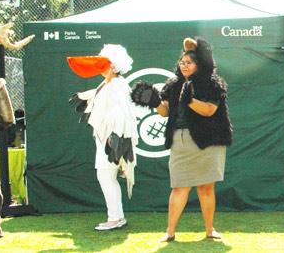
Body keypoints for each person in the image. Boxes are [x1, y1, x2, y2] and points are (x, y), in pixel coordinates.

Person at [155, 37, 232, 242]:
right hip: (181, 139)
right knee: (179, 187)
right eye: (182, 62)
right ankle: (170, 232)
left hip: (207, 140)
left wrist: (189, 101)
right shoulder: (173, 84)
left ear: (199, 64)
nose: (184, 65)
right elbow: (164, 112)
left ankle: (209, 230)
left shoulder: (213, 84)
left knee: (206, 187)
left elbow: (209, 110)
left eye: (189, 62)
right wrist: (153, 101)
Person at [68, 44, 138, 231]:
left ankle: (115, 218)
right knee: (106, 176)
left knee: (106, 175)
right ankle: (117, 216)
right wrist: (86, 97)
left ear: (114, 65)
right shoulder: (110, 83)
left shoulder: (115, 84)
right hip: (106, 136)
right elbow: (103, 100)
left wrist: (115, 135)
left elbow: (120, 111)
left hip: (112, 138)